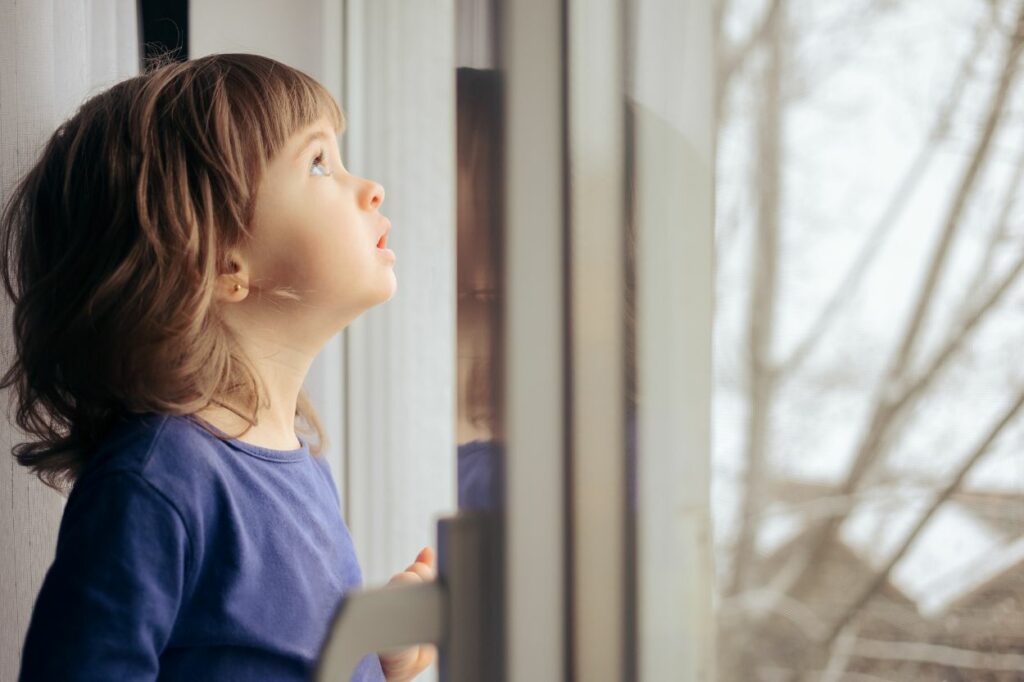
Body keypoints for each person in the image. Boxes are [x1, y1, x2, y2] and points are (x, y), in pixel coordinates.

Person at [1, 53, 435, 682]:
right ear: (222, 260)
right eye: (318, 163)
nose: (370, 188)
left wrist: (380, 656)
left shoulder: (307, 472)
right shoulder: (158, 482)